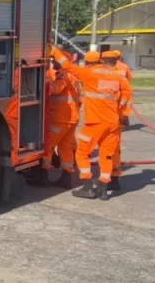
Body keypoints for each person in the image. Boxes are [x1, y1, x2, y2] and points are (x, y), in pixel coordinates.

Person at [51, 47, 132, 200]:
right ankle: (103, 187)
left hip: (95, 123)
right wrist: (121, 111)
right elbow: (127, 93)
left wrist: (55, 51)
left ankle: (87, 186)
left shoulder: (88, 73)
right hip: (113, 122)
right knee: (106, 155)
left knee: (82, 153)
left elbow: (67, 65)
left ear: (91, 62)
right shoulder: (117, 76)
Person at [40, 46, 81, 188]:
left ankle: (43, 175)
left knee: (48, 147)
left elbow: (55, 90)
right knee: (66, 148)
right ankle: (66, 177)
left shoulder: (64, 74)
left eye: (55, 60)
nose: (54, 62)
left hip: (60, 118)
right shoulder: (73, 75)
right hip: (71, 118)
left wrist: (42, 82)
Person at [102, 50, 133, 191]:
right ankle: (114, 177)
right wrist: (125, 115)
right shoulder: (124, 68)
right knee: (114, 147)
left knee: (104, 148)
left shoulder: (102, 72)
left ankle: (104, 179)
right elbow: (128, 88)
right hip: (118, 113)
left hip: (106, 114)